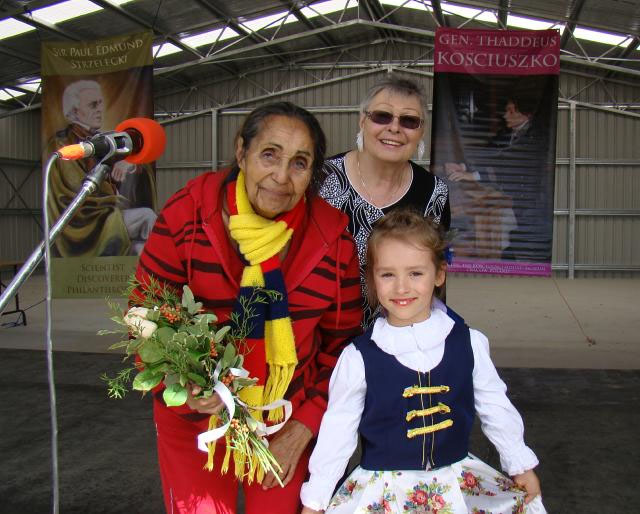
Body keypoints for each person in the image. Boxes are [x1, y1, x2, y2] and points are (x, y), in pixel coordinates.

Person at [132, 102, 363, 514]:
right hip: (197, 421)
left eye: (299, 163)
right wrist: (185, 386)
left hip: (286, 415)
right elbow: (145, 312)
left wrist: (306, 423)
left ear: (312, 174)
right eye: (269, 154)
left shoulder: (333, 239)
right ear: (242, 153)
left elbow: (344, 347)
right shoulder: (188, 213)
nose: (281, 176)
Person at [300, 209, 546, 514]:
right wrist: (316, 500)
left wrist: (520, 465)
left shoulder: (469, 343)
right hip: (383, 493)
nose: (401, 288)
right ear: (372, 280)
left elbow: (496, 408)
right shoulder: (358, 358)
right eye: (387, 274)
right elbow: (337, 434)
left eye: (415, 273)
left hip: (453, 488)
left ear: (439, 274)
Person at [319, 74, 451, 327]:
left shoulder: (435, 193)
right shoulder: (321, 180)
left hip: (396, 339)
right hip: (323, 336)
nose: (394, 127)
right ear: (362, 120)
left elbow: (434, 277)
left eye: (409, 121)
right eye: (382, 116)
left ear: (421, 131)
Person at [46, 79, 157, 256]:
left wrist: (129, 164)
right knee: (147, 217)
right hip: (85, 222)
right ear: (74, 112)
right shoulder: (63, 145)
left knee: (140, 250)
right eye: (92, 104)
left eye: (100, 103)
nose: (99, 109)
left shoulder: (102, 140)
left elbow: (133, 168)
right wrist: (114, 199)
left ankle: (154, 280)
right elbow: (75, 194)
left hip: (106, 214)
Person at [444, 93, 554, 262]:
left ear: (527, 114)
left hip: (527, 204)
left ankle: (501, 256)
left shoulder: (537, 137)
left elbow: (511, 167)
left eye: (511, 111)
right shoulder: (506, 134)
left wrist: (472, 175)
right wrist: (463, 166)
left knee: (497, 220)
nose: (505, 115)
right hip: (508, 198)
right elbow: (488, 155)